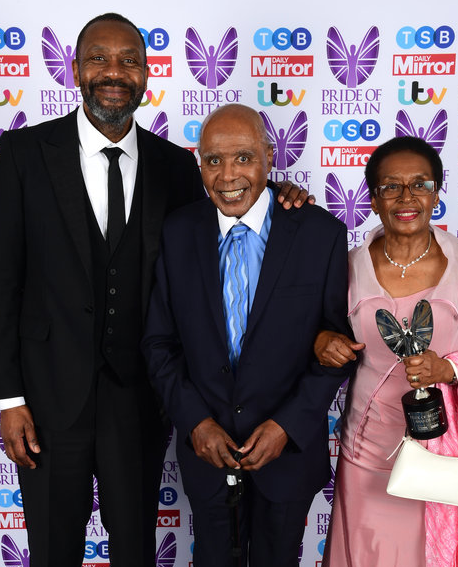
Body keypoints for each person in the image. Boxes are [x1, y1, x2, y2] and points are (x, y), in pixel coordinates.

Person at [0, 14, 309, 567]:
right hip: (46, 398)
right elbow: (1, 281)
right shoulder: (23, 154)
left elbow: (228, 198)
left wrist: (280, 194)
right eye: (99, 59)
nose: (114, 71)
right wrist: (9, 399)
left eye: (129, 59)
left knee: (134, 547)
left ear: (147, 72)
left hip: (140, 400)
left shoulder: (176, 167)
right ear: (76, 69)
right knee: (51, 550)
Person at [141, 103, 355, 567]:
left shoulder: (321, 234)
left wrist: (286, 426)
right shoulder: (177, 233)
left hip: (288, 455)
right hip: (207, 454)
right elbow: (160, 344)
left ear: (269, 156)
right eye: (213, 160)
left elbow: (339, 347)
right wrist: (196, 422)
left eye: (243, 157)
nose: (227, 175)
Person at [316, 136, 458, 567]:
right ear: (373, 200)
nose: (406, 197)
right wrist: (322, 342)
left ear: (437, 193)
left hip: (447, 460)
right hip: (367, 456)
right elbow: (315, 333)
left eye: (420, 184)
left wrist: (448, 370)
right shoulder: (346, 267)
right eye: (391, 186)